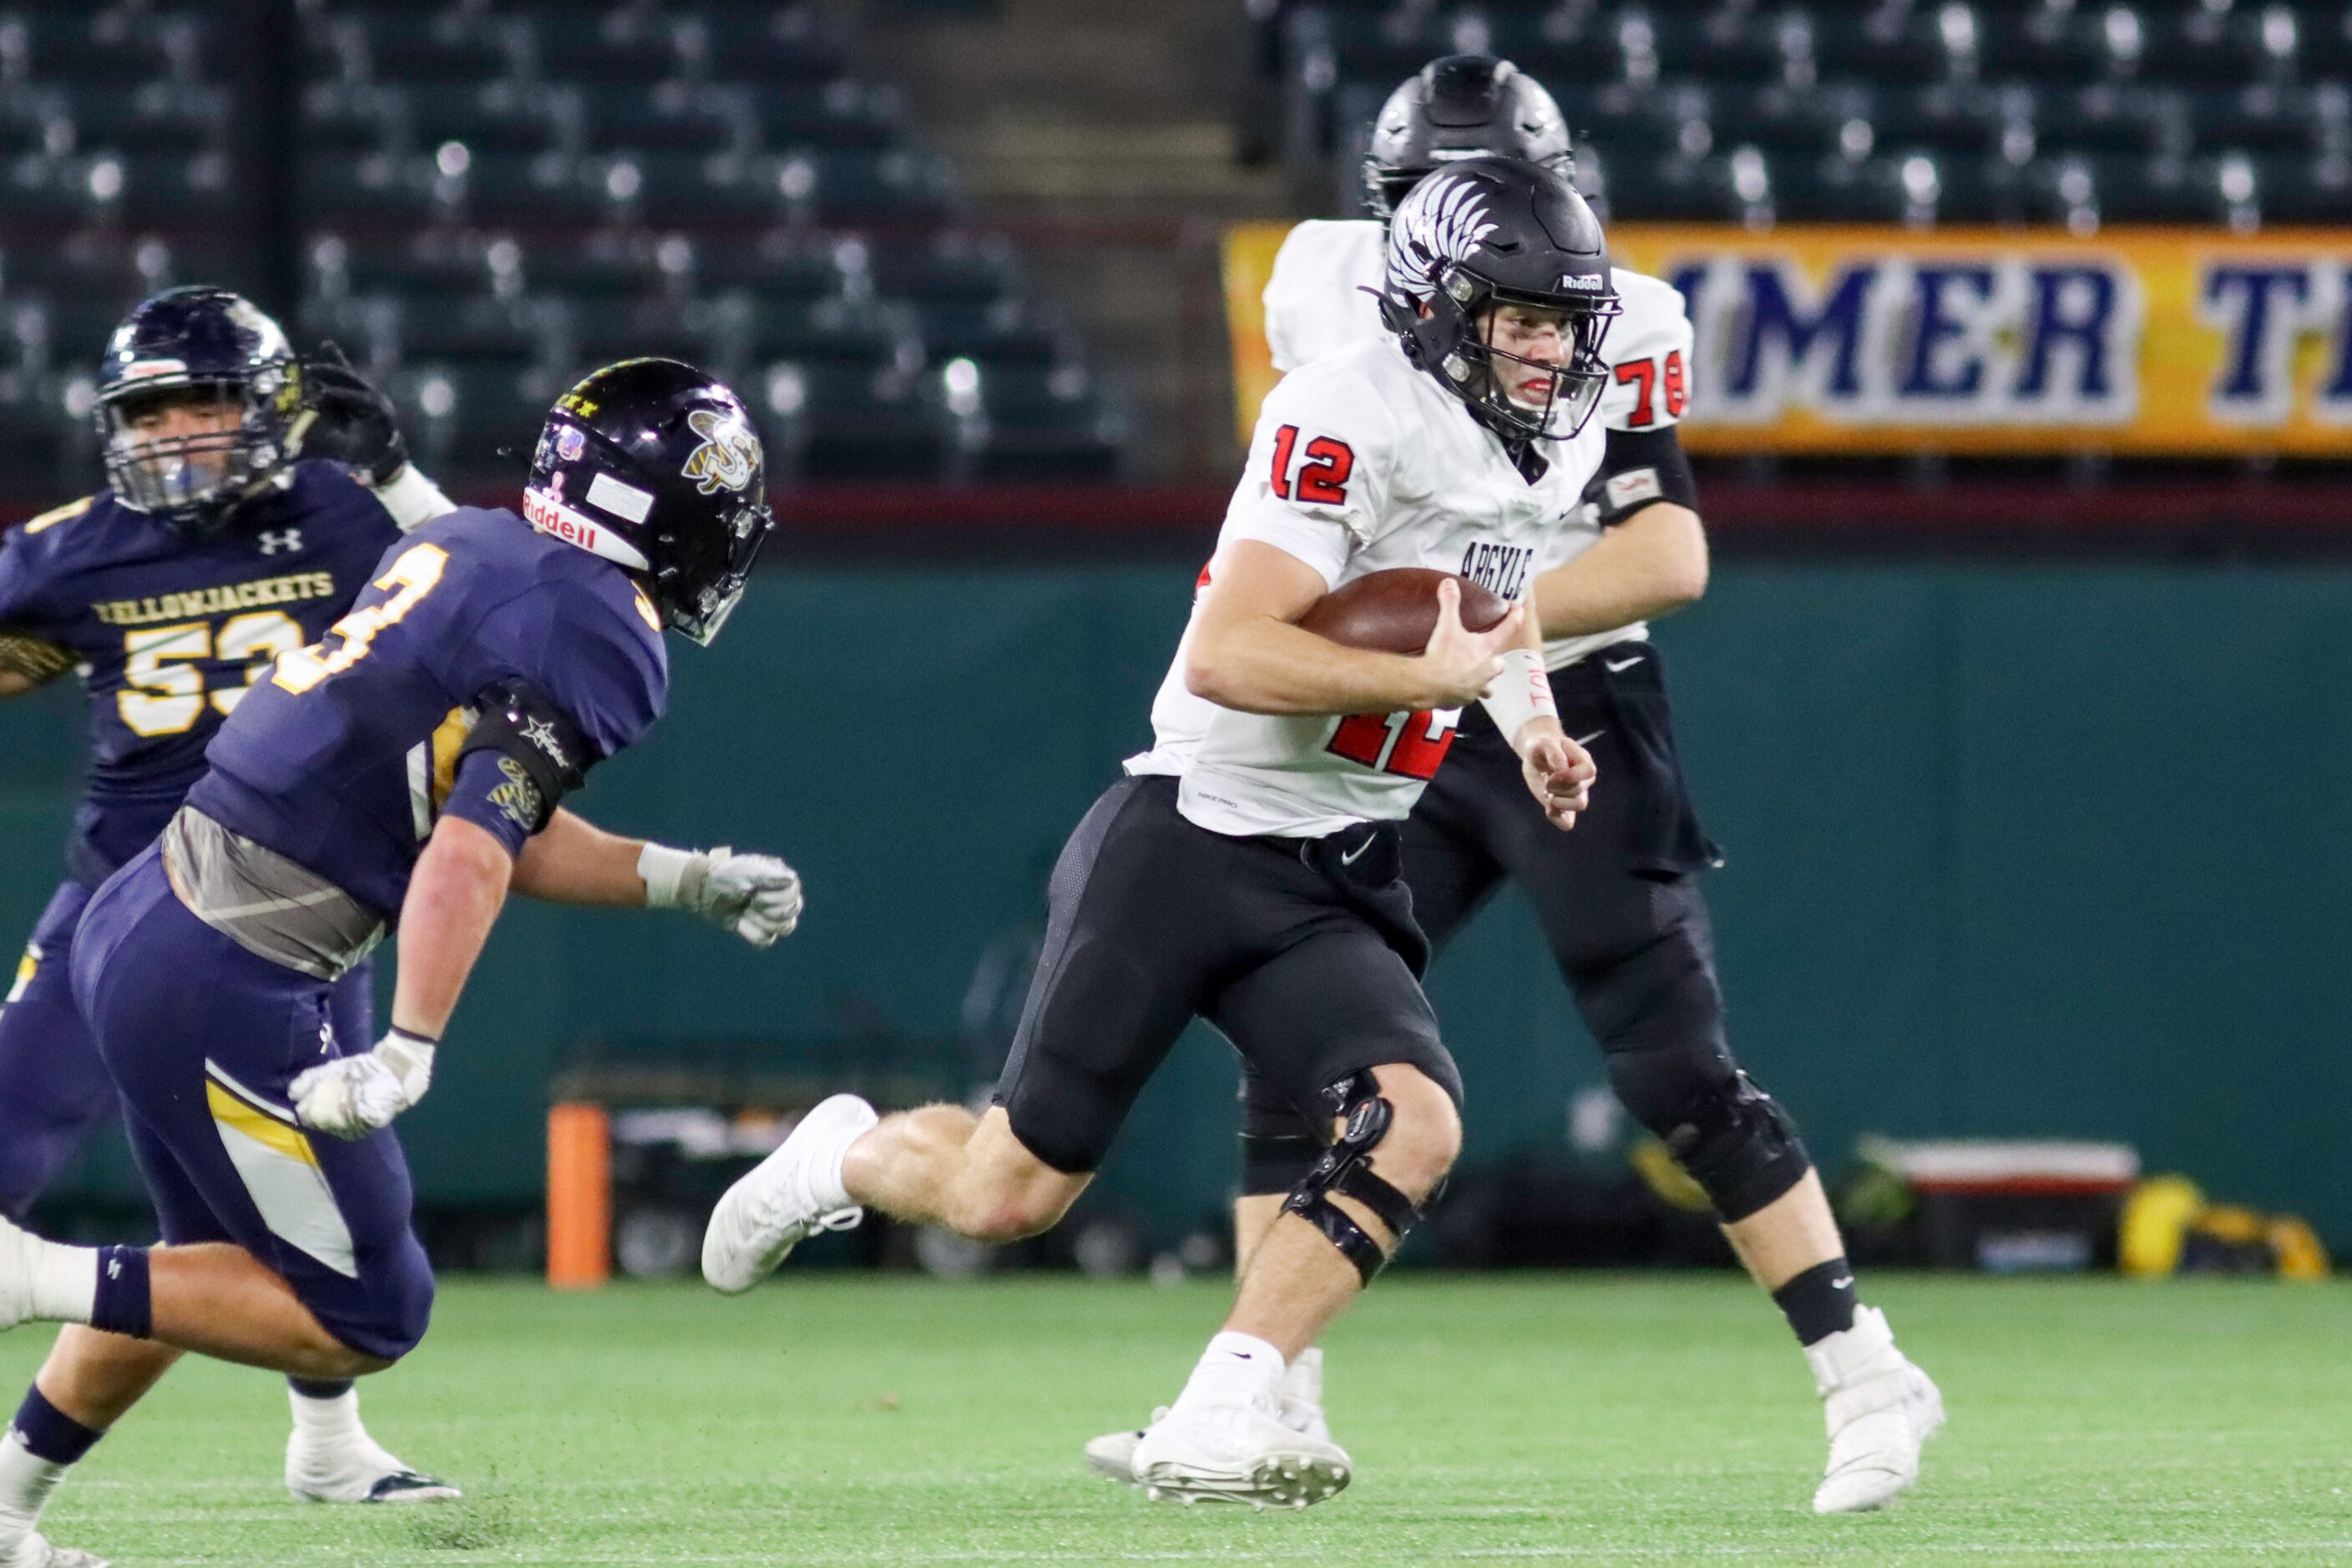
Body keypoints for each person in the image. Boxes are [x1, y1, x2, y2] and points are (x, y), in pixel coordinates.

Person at [1090, 57, 1945, 1516]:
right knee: (1306, 1047)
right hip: (1392, 715)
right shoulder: (1323, 293)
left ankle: (1862, 1368)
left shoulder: (1614, 321)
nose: (1490, 242)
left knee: (1672, 1060)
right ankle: (1262, 1397)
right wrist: (1414, 647)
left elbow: (1668, 555)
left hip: (1559, 701)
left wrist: (1487, 638)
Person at [703, 156, 1609, 1510]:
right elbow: (1233, 650)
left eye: (1561, 323)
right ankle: (837, 1152)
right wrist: (1434, 683)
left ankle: (1217, 1407)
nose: (1546, 353)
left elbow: (1496, 598)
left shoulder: (1548, 437)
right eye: (1517, 320)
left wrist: (1528, 717)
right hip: (1191, 838)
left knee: (1412, 1122)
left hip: (1337, 864)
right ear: (1433, 308)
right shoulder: (1345, 413)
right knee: (1006, 1197)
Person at [0, 357, 803, 1568]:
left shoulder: (476, 546)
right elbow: (472, 848)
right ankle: (23, 1271)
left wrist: (679, 876)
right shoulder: (597, 625)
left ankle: (7, 1502)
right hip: (232, 960)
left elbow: (479, 820)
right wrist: (409, 1048)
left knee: (197, 1271)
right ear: (669, 510)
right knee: (368, 1310)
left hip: (154, 913)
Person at [0, 287, 466, 1532]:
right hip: (121, 906)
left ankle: (330, 1443)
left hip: (297, 912)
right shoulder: (70, 550)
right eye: (151, 409)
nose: (178, 432)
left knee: (282, 1210)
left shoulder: (338, 510)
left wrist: (404, 478)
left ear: (268, 408)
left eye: (205, 400)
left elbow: (485, 597)